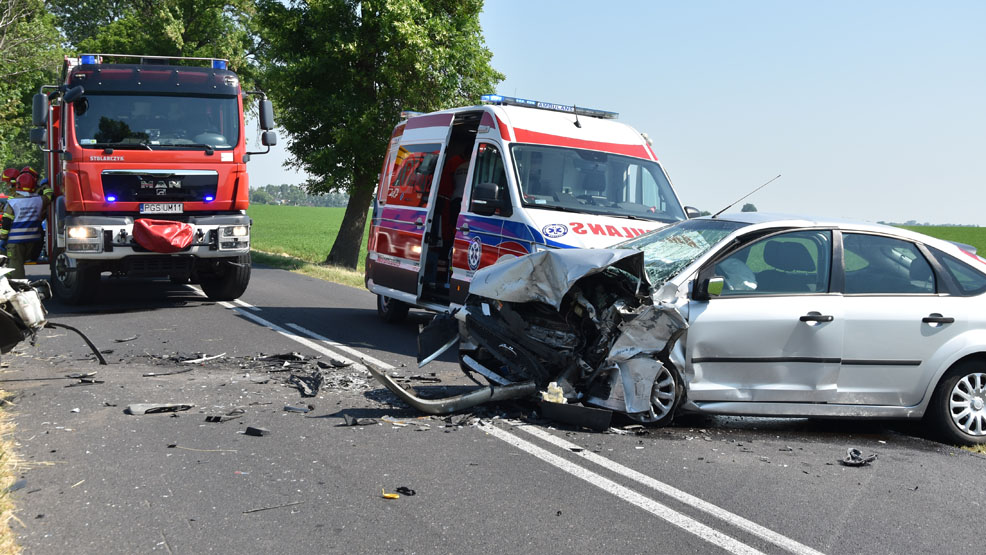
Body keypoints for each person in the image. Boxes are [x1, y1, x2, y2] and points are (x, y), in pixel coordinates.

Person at [0, 167, 49, 279]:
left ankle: (19, 290)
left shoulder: (13, 202)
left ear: (16, 184)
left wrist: (2, 238)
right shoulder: (39, 200)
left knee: (16, 269)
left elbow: (6, 222)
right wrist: (46, 187)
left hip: (16, 243)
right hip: (33, 243)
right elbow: (50, 197)